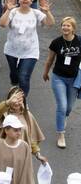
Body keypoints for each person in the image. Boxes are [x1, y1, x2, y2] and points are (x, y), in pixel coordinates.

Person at [0, 0, 55, 96]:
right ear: (19, 0)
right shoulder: (13, 12)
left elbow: (50, 23)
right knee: (15, 75)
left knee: (24, 76)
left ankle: (22, 102)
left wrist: (47, 12)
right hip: (12, 50)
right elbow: (2, 24)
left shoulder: (36, 13)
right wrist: (7, 10)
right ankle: (14, 83)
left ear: (31, 1)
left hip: (30, 51)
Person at [43, 16, 81, 148]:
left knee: (69, 107)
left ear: (73, 28)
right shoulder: (56, 42)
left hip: (75, 79)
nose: (65, 28)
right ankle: (61, 134)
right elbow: (49, 59)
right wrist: (45, 72)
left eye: (68, 26)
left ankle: (64, 117)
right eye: (63, 25)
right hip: (58, 77)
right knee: (62, 105)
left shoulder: (79, 41)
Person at [0, 86, 46, 162]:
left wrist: (38, 154)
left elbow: (30, 137)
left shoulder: (27, 115)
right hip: (2, 156)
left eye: (20, 100)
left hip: (20, 157)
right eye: (15, 99)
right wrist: (8, 102)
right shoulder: (3, 113)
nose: (17, 102)